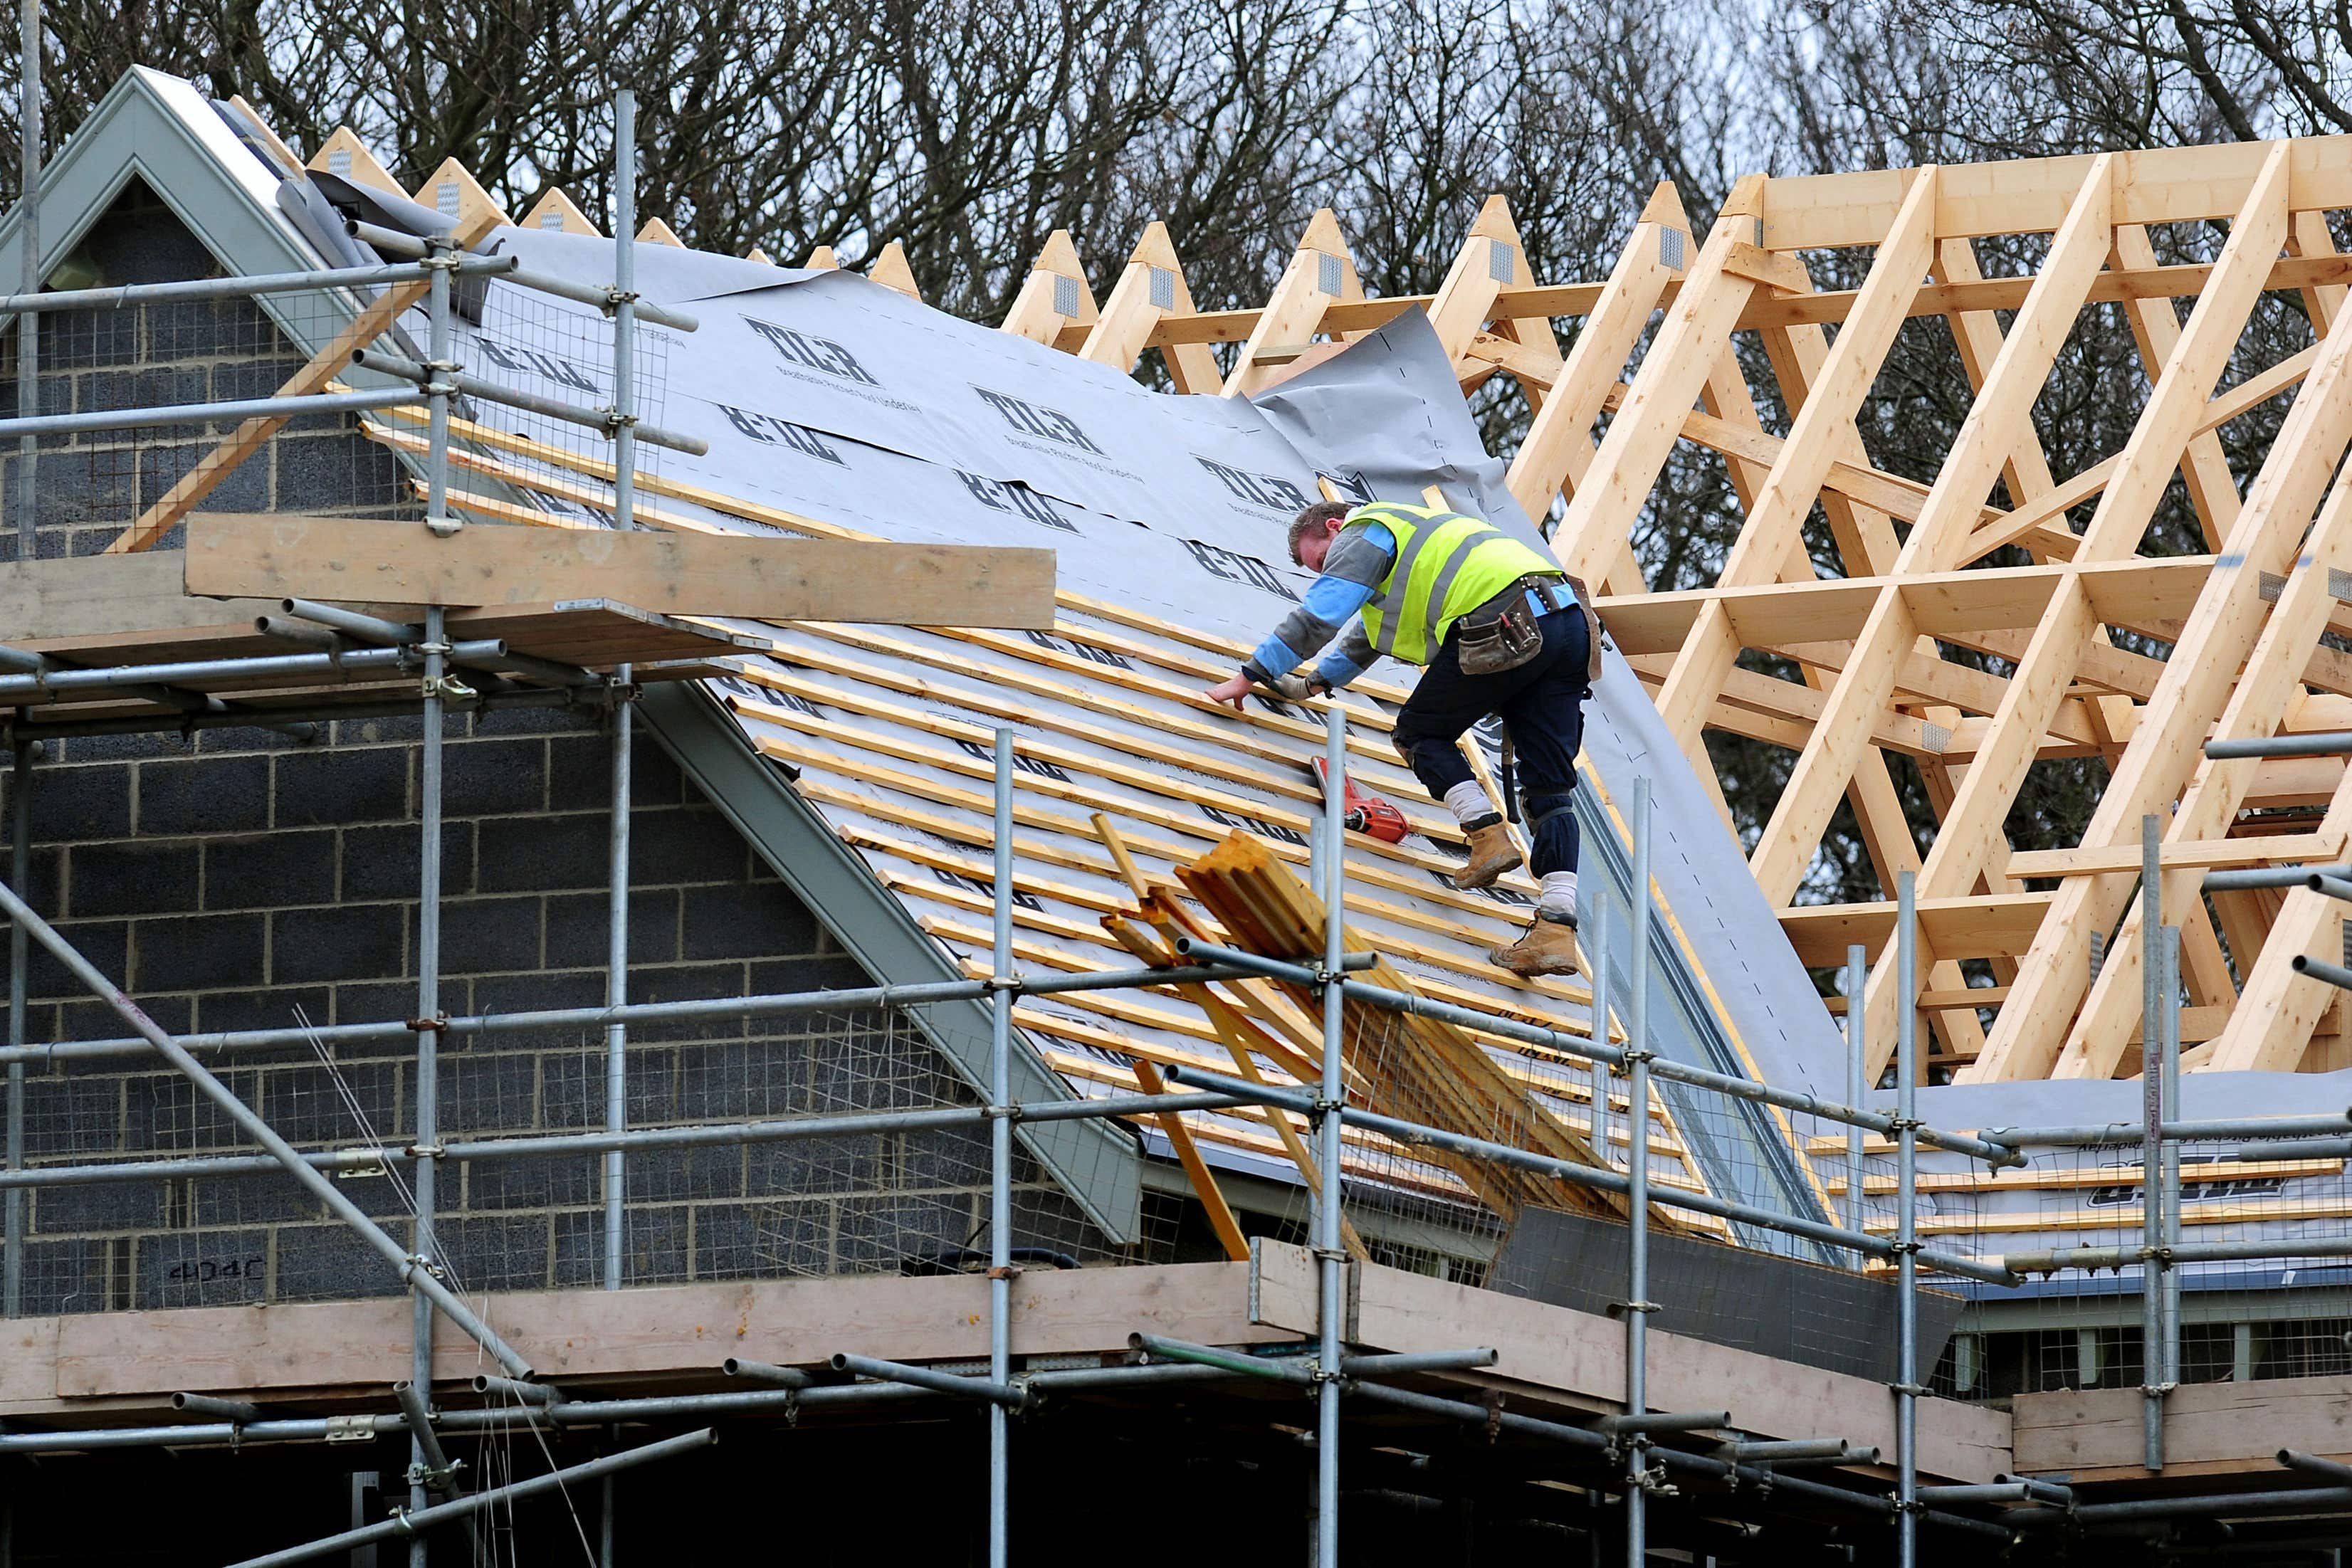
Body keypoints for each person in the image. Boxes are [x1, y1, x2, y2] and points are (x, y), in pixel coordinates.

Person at [1202, 498, 1602, 977]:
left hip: (1506, 617)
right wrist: (1311, 684)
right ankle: (1557, 929)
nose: (1327, 574)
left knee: (1419, 732)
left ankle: (1487, 836)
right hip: (1569, 621)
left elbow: (1319, 617)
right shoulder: (1415, 543)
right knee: (1551, 793)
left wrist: (1250, 674)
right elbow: (1368, 637)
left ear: (1334, 526)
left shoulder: (1367, 530)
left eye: (1322, 562)